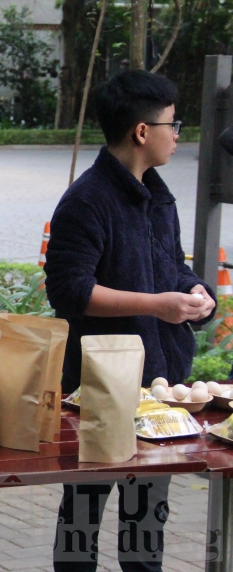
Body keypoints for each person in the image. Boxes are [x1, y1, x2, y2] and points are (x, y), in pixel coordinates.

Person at [45, 70, 216, 571]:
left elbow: (169, 267)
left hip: (160, 386)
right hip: (99, 386)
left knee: (145, 531)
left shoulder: (156, 195)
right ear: (142, 131)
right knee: (82, 517)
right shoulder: (86, 200)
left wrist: (191, 292)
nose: (178, 134)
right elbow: (69, 292)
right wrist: (155, 304)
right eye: (172, 123)